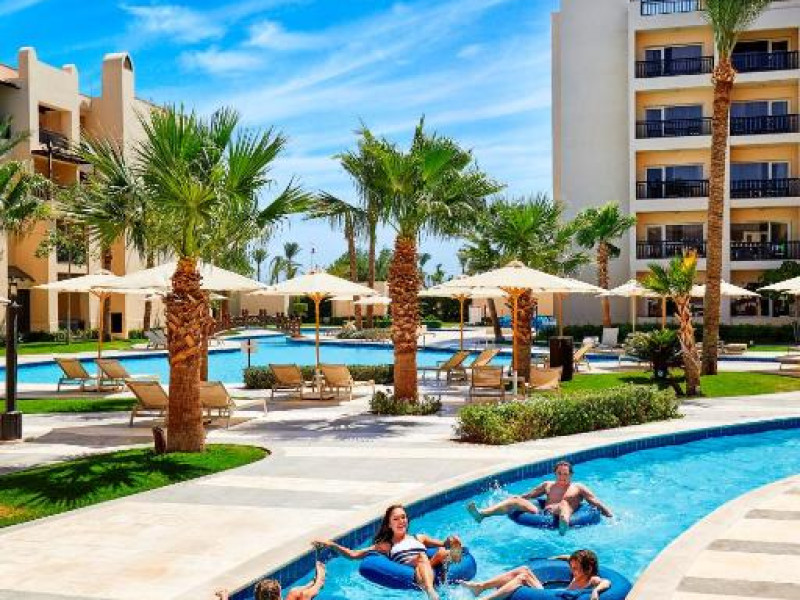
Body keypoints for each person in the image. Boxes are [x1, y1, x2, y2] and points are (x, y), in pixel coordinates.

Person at [314, 504, 462, 600]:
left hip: (427, 563)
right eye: (396, 519)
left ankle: (452, 560)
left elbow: (443, 544)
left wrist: (451, 541)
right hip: (409, 566)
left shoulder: (419, 538)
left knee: (442, 552)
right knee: (422, 556)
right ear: (389, 524)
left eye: (403, 517)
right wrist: (331, 545)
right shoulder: (386, 545)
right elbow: (354, 555)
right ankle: (431, 592)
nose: (401, 521)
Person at [467, 460, 612, 534]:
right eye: (559, 473)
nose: (562, 476)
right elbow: (529, 495)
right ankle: (482, 514)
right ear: (555, 473)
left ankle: (563, 525)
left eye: (565, 474)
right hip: (544, 513)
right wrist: (515, 498)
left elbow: (595, 502)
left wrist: (610, 516)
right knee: (515, 501)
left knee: (563, 504)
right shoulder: (547, 485)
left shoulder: (578, 487)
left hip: (565, 512)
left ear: (571, 474)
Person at [461, 550, 610, 600]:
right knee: (524, 569)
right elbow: (568, 557)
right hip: (552, 595)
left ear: (588, 568)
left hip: (553, 598)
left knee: (522, 578)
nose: (572, 570)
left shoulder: (591, 579)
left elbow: (606, 582)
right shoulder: (579, 574)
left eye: (576, 568)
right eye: (572, 567)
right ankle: (481, 586)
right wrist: (555, 558)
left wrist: (596, 591)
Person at [214, 561, 325, 600]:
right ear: (279, 595)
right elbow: (311, 592)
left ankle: (311, 583)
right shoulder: (295, 595)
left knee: (295, 592)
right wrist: (320, 575)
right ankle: (315, 582)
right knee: (298, 593)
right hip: (304, 594)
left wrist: (224, 596)